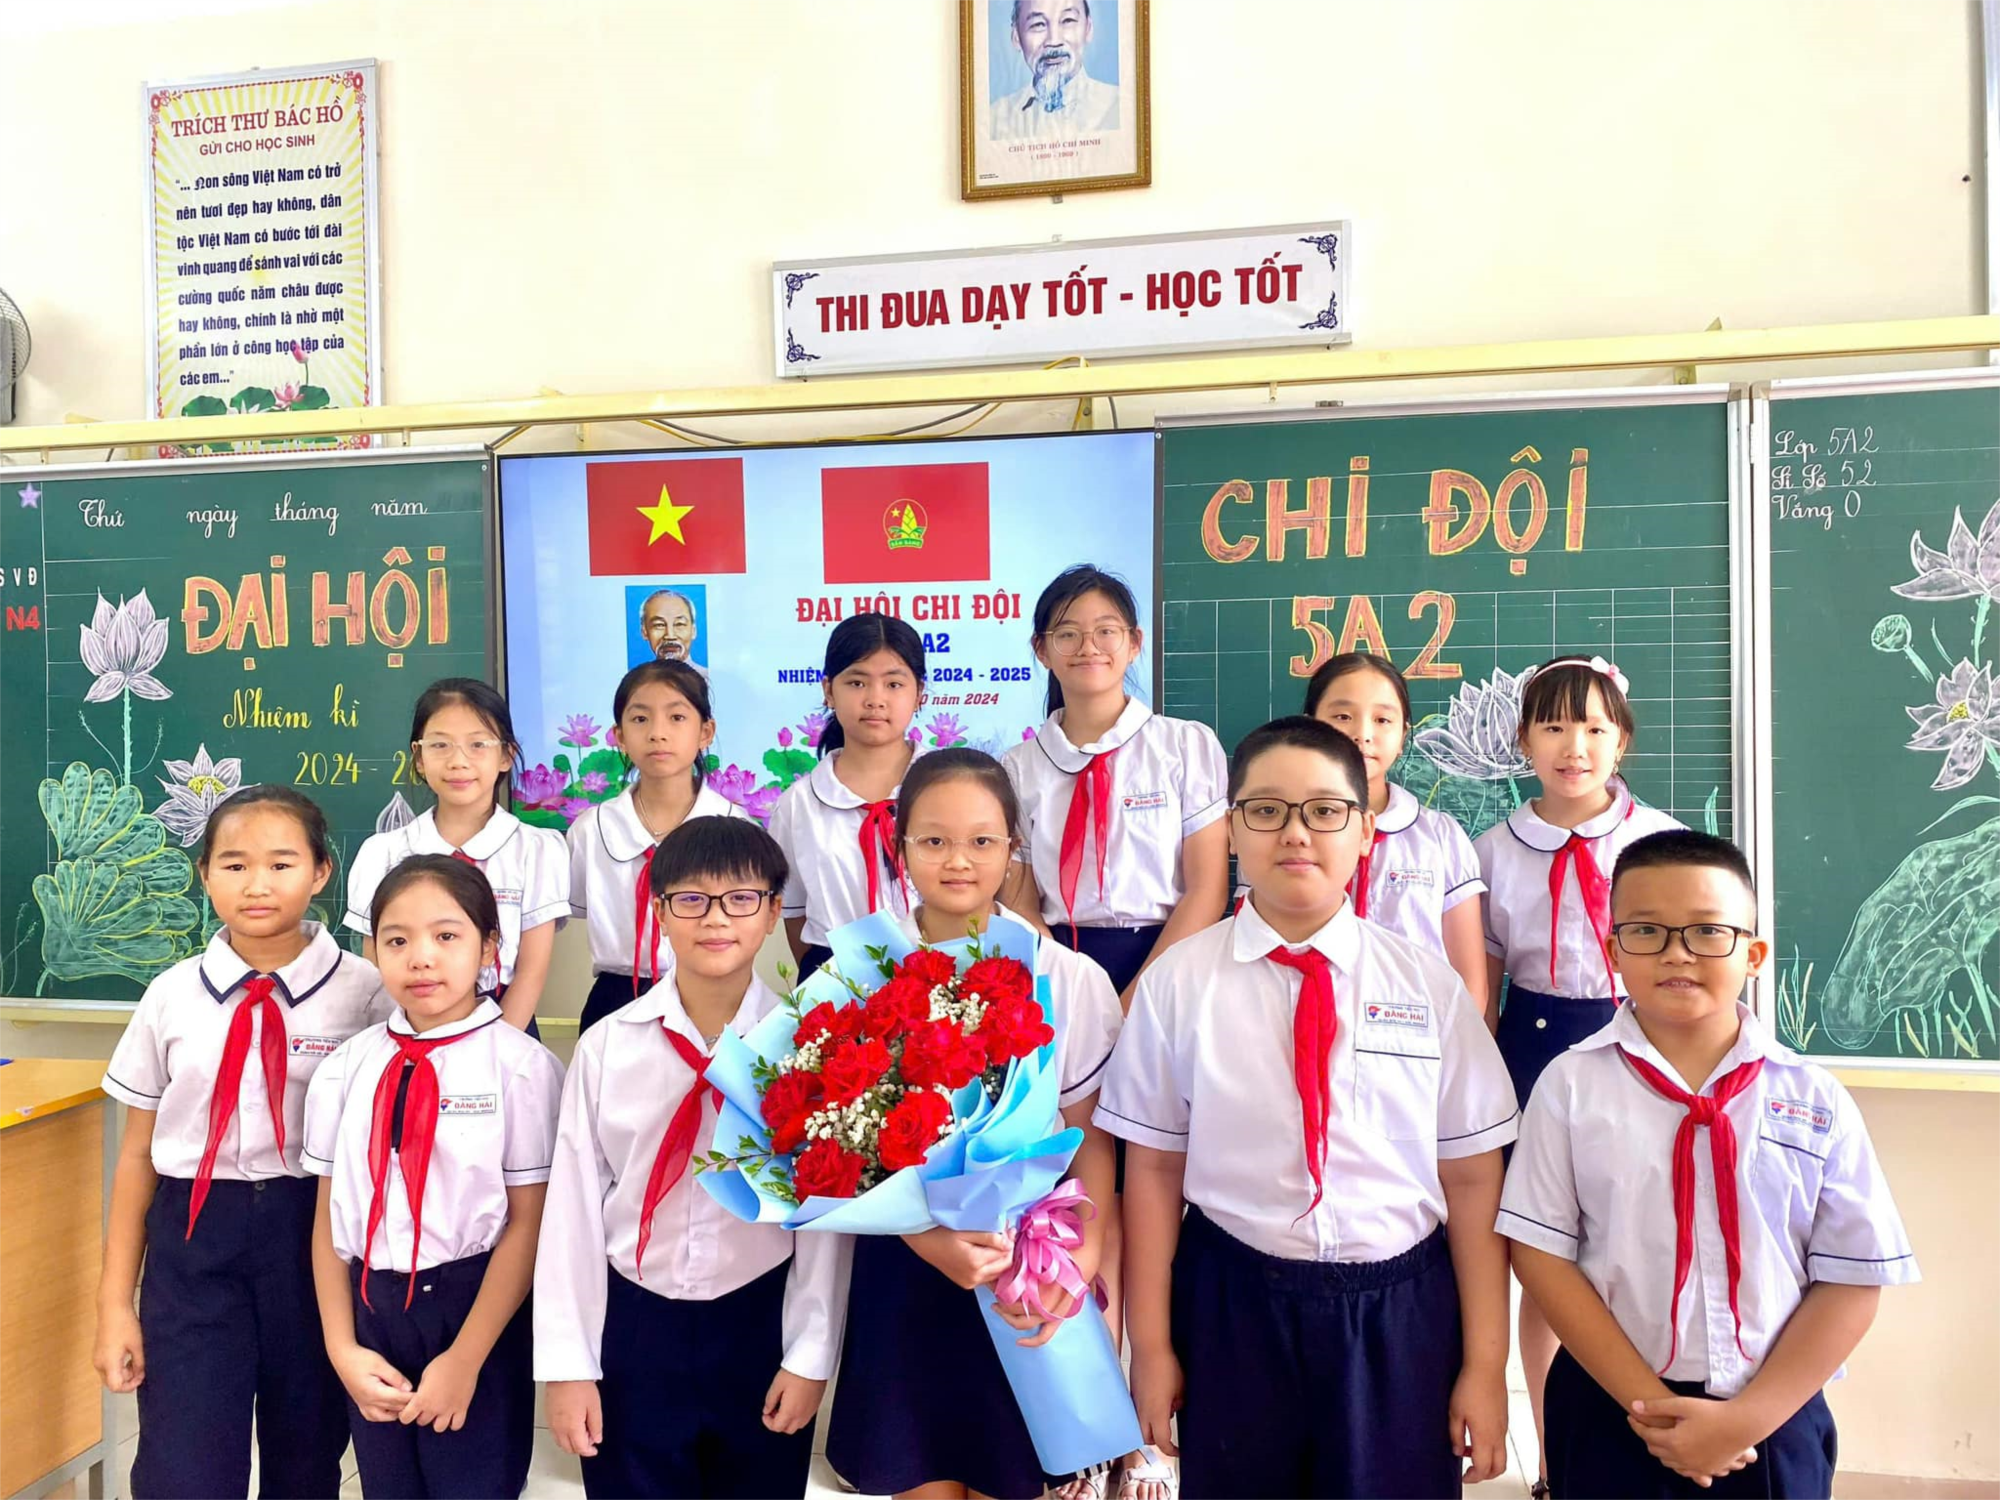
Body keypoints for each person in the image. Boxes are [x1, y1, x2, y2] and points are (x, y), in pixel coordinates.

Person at [1098, 717, 1517, 1499]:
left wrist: (1486, 1365)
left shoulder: (1428, 987)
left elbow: (1471, 1179)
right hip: (1233, 1305)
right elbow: (1152, 1172)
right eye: (1266, 810)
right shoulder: (1178, 985)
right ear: (1231, 830)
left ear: (1365, 831)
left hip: (1400, 1312)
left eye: (1325, 810)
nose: (1295, 833)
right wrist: (1149, 1348)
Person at [1500, 830, 1919, 1497]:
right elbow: (1541, 1254)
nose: (1677, 953)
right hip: (1612, 1408)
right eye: (1646, 931)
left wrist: (1746, 1420)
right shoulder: (1570, 1086)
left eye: (1707, 931)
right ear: (1613, 950)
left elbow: (1853, 1275)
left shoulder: (1814, 1097)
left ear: (1753, 954)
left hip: (1771, 1417)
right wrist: (1650, 1409)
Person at [825, 748, 1125, 1500]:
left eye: (982, 841)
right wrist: (924, 1237)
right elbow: (835, 1147)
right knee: (917, 1474)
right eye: (934, 840)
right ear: (899, 847)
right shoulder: (855, 974)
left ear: (1013, 847)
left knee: (1013, 1477)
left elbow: (1090, 1142)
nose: (958, 860)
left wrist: (1079, 1263)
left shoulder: (1067, 977)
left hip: (1023, 1267)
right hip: (904, 1268)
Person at [536, 817, 850, 1500]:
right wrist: (567, 1365)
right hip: (632, 1324)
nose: (715, 918)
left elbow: (824, 1216)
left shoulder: (808, 1049)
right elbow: (571, 1215)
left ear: (774, 911)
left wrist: (809, 1355)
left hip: (759, 1320)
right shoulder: (607, 1046)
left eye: (740, 898)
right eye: (691, 899)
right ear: (658, 910)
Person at [94, 785, 393, 1500]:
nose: (257, 885)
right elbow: (137, 1155)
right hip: (193, 1236)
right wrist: (114, 1304)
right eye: (233, 865)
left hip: (313, 1236)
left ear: (321, 872)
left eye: (281, 864)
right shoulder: (171, 995)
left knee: (306, 1453)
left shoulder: (366, 992)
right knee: (184, 1464)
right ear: (205, 875)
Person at [1003, 563, 1228, 1498]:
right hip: (1056, 976)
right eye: (1066, 630)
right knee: (1077, 1205)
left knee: (1153, 1202)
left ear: (1134, 644)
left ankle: (1147, 1431)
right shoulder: (1018, 764)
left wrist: (1131, 999)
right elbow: (1017, 894)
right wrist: (1068, 991)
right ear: (1041, 650)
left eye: (1106, 629)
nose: (1087, 646)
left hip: (1165, 973)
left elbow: (1208, 886)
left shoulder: (1185, 745)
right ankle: (1088, 1431)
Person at [1475, 654, 1684, 1495]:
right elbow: (1483, 982)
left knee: (1636, 1244)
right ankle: (1555, 1456)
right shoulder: (1493, 850)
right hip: (1530, 1053)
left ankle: (1649, 1435)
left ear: (1622, 740)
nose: (1575, 747)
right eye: (1555, 726)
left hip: (1640, 1047)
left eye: (1595, 727)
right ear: (1524, 740)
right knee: (1545, 1258)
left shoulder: (1660, 841)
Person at [304, 855, 564, 1499]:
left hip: (476, 1310)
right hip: (371, 1310)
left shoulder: (522, 1068)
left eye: (447, 936)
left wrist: (466, 1359)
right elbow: (328, 1220)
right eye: (397, 941)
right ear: (373, 951)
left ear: (490, 947)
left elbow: (529, 1225)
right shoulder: (346, 1067)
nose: (421, 958)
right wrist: (342, 1349)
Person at [346, 677, 570, 1034]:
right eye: (440, 745)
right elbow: (376, 965)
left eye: (478, 744)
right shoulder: (383, 853)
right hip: (411, 1026)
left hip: (506, 1025)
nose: (458, 761)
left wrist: (496, 1049)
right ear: (419, 758)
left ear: (506, 756)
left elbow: (531, 971)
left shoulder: (536, 850)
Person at [569, 661, 747, 1034]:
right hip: (616, 999)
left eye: (677, 717)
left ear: (706, 732)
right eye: (640, 719)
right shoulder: (591, 829)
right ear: (619, 736)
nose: (657, 734)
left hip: (712, 995)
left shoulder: (736, 827)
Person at [1304, 650, 1488, 1008]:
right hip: (1308, 1022)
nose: (1362, 734)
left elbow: (1470, 983)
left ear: (1403, 734)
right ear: (1310, 727)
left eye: (1382, 720)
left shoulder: (1440, 837)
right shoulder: (1283, 832)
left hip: (1419, 1032)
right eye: (1342, 716)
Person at [769, 612, 925, 983]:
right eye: (856, 682)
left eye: (894, 684)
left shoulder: (949, 788)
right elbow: (794, 912)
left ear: (920, 694)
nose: (875, 699)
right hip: (834, 980)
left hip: (939, 973)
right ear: (828, 690)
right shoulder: (798, 804)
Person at [990, 0, 1120, 140]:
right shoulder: (995, 120)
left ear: (1088, 28)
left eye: (1067, 20)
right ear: (1016, 37)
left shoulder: (1119, 107)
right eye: (1038, 24)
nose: (1054, 41)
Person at [639, 588, 704, 673]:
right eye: (659, 625)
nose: (670, 636)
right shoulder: (636, 680)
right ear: (644, 632)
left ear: (693, 631)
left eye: (679, 624)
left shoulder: (709, 678)